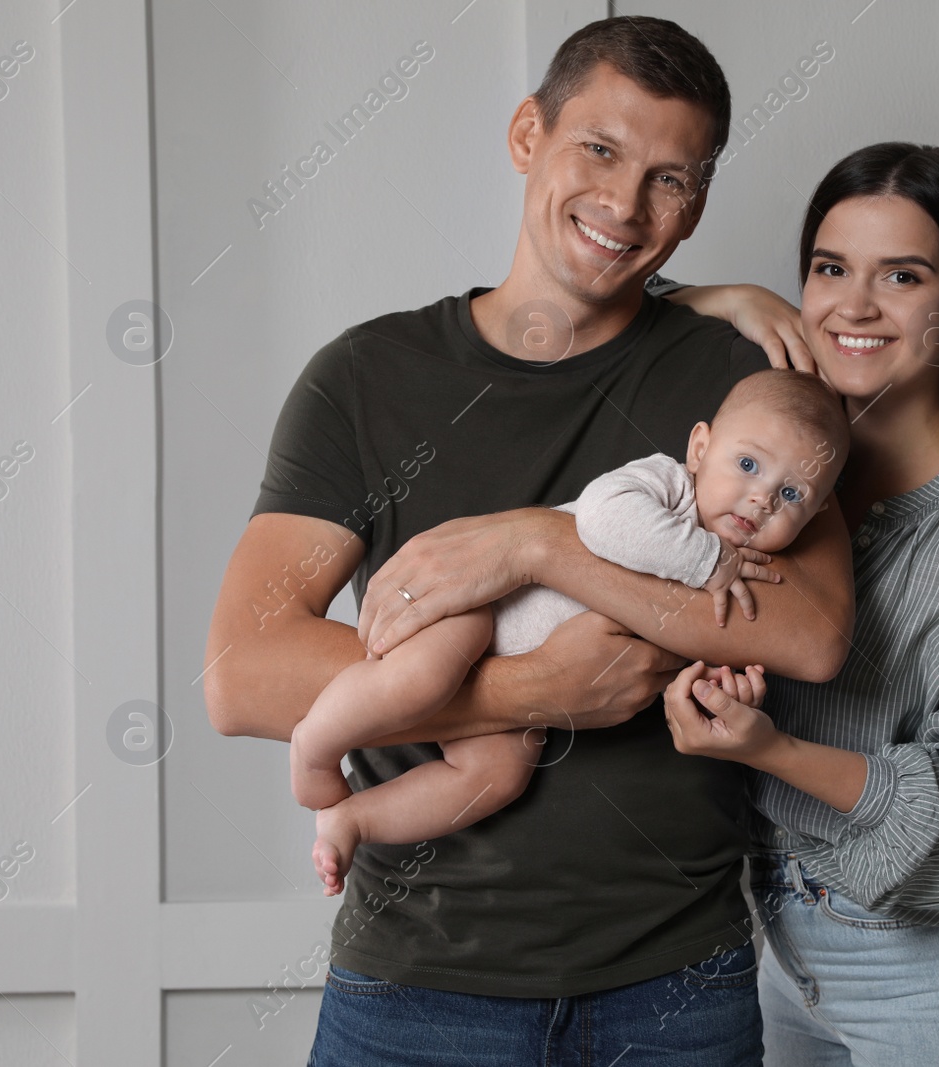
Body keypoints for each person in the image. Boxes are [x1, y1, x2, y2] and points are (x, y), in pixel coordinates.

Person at [204, 16, 855, 1067]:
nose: (625, 204)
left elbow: (813, 633)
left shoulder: (742, 383)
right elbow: (243, 670)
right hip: (415, 987)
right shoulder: (367, 377)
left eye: (670, 179)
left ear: (697, 206)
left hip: (673, 988)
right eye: (598, 150)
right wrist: (533, 689)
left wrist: (540, 547)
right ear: (525, 134)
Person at [660, 142, 939, 1065]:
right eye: (829, 269)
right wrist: (730, 300)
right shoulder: (773, 476)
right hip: (781, 951)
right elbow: (611, 307)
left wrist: (768, 749)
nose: (854, 306)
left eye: (901, 275)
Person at [290, 369, 851, 899]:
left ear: (818, 510)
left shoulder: (743, 565)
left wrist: (723, 694)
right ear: (701, 448)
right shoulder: (668, 485)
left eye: (792, 495)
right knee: (421, 681)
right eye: (748, 464)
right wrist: (708, 561)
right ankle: (315, 748)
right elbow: (601, 521)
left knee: (495, 778)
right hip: (482, 610)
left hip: (524, 686)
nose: (761, 498)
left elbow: (709, 640)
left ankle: (354, 820)